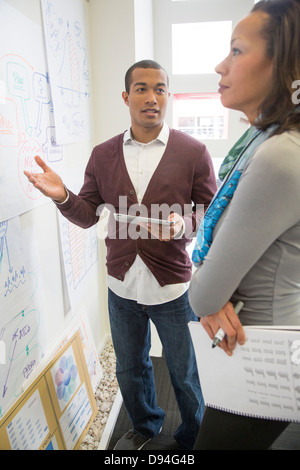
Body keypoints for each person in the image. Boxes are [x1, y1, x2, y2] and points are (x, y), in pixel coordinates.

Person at [24, 60, 217, 450]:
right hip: (121, 285)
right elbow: (86, 215)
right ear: (127, 97)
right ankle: (145, 428)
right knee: (130, 368)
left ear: (168, 96)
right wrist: (62, 195)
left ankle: (192, 440)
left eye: (160, 89)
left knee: (184, 373)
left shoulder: (194, 152)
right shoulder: (102, 155)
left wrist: (182, 226)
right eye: (142, 89)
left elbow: (211, 212)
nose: (152, 97)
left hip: (173, 288)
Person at [188, 0, 300, 450]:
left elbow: (204, 293)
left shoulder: (279, 155)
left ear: (285, 64)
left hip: (261, 357)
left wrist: (210, 291)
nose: (220, 65)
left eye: (236, 50)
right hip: (253, 339)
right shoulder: (266, 138)